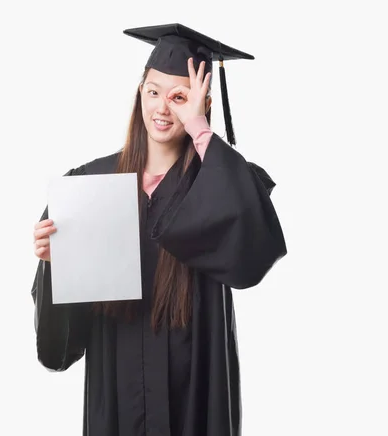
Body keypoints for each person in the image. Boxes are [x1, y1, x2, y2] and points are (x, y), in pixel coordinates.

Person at [30, 23, 287, 436]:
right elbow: (63, 340)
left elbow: (253, 247)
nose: (163, 108)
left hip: (195, 389)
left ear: (199, 103)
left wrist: (201, 130)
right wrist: (53, 263)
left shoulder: (221, 181)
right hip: (118, 389)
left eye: (179, 97)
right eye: (153, 92)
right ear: (139, 93)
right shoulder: (90, 186)